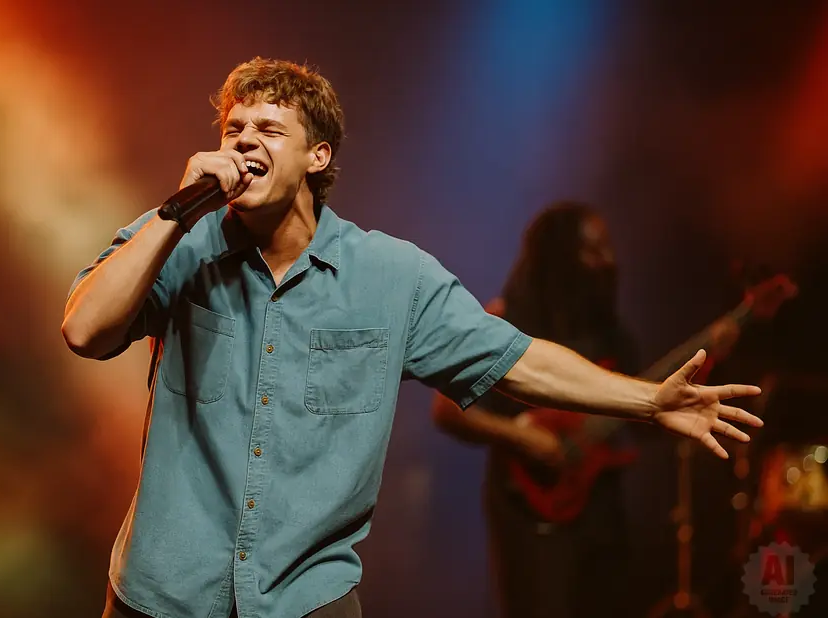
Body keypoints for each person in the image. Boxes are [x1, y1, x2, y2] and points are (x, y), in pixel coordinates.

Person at [61, 58, 762, 618]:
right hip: (163, 596)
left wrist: (647, 401)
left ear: (317, 156)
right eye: (234, 128)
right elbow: (85, 330)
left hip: (305, 600)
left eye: (269, 130)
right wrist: (175, 211)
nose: (244, 142)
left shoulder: (389, 275)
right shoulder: (178, 239)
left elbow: (515, 358)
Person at [430, 203, 752, 618]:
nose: (609, 261)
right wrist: (524, 436)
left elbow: (643, 417)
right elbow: (446, 410)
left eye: (609, 248)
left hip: (600, 510)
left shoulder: (611, 334)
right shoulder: (505, 320)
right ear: (561, 256)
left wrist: (708, 366)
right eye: (593, 250)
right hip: (530, 513)